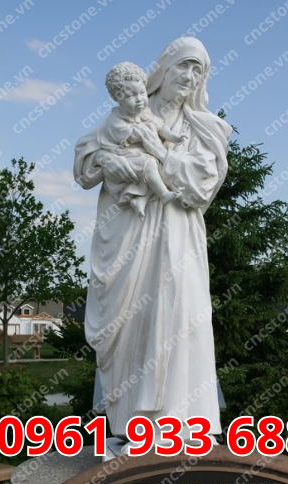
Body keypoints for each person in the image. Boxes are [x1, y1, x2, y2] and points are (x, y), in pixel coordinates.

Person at [74, 37, 232, 443]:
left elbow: (200, 185)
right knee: (133, 322)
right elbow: (86, 161)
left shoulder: (206, 128)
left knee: (179, 316)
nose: (190, 76)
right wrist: (107, 159)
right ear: (164, 69)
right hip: (129, 237)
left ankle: (181, 424)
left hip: (178, 238)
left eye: (199, 70)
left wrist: (157, 155)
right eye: (184, 65)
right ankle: (134, 425)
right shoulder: (130, 111)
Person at [100, 61, 186, 221]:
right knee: (150, 164)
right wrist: (140, 133)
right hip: (128, 158)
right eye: (131, 96)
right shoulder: (115, 119)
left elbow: (160, 126)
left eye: (142, 93)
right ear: (117, 97)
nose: (139, 99)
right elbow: (125, 135)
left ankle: (140, 200)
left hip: (145, 156)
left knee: (155, 167)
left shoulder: (145, 113)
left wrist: (174, 137)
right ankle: (163, 194)